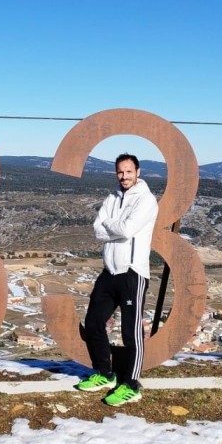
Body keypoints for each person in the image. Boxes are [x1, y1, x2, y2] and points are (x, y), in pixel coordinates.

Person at [75, 153, 158, 406]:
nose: (124, 177)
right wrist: (115, 225)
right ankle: (104, 373)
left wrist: (111, 225)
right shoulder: (111, 197)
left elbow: (126, 230)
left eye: (128, 172)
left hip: (132, 272)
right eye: (120, 172)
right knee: (93, 323)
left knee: (131, 333)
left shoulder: (147, 200)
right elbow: (97, 230)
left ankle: (131, 385)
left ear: (138, 172)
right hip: (109, 271)